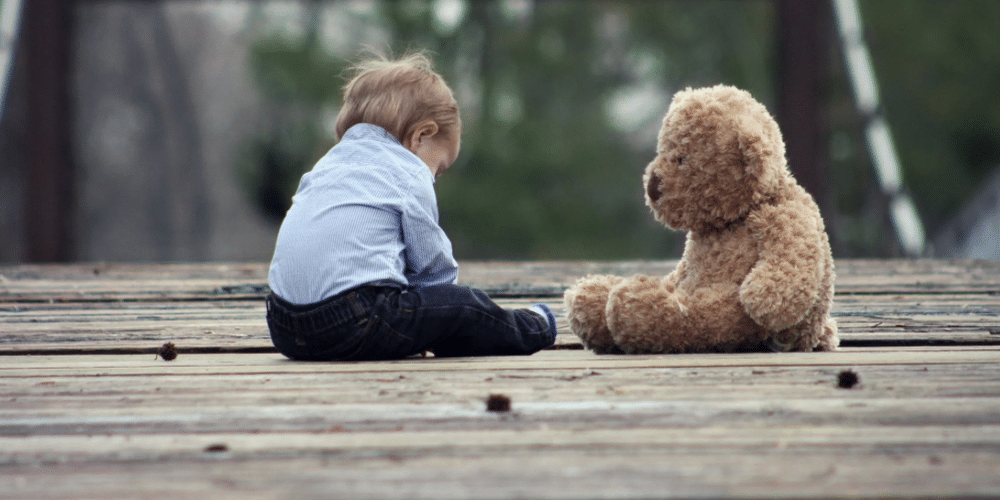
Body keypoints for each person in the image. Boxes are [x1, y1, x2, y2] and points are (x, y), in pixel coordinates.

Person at [265, 51, 557, 361]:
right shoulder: (408, 171)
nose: (434, 178)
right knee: (466, 306)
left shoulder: (326, 165)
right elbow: (433, 269)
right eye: (439, 168)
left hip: (284, 326)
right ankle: (536, 326)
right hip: (354, 322)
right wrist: (441, 315)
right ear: (421, 135)